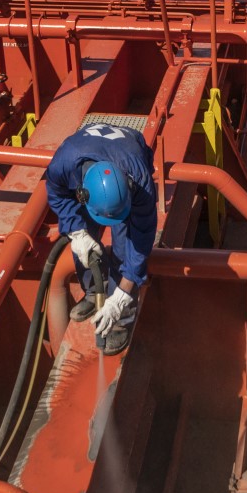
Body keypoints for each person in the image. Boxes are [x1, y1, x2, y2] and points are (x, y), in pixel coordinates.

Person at [45, 122, 157, 355]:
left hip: (128, 146)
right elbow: (56, 195)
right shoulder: (64, 164)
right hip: (87, 150)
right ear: (82, 192)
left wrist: (123, 295)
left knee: (125, 245)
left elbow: (143, 236)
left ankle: (121, 317)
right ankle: (95, 291)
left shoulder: (140, 179)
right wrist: (77, 232)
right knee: (83, 242)